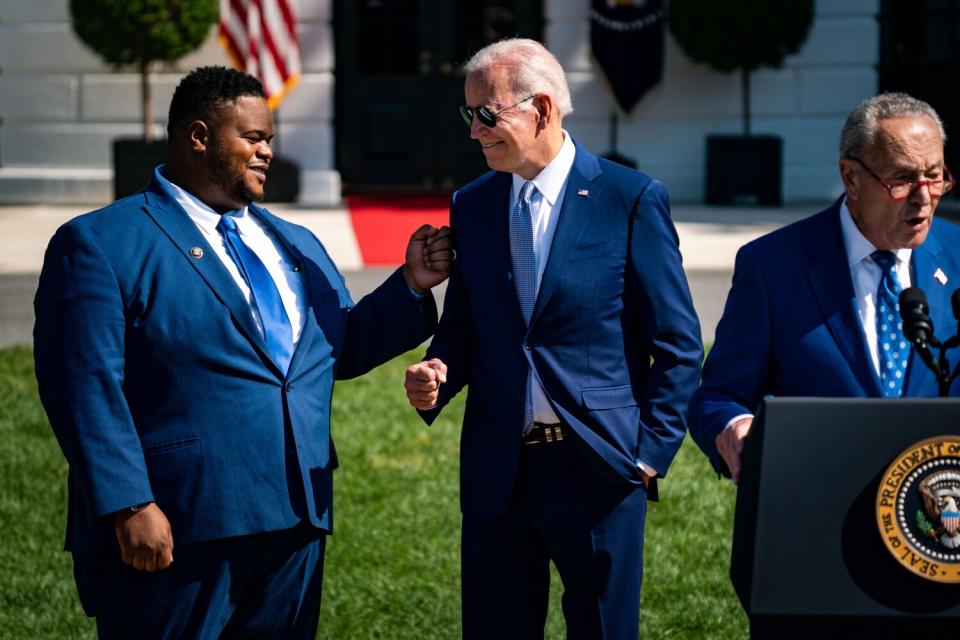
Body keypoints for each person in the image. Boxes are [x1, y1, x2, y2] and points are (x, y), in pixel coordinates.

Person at [33, 65, 451, 639]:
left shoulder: (293, 241)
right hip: (179, 524)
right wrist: (129, 504)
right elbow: (83, 385)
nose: (266, 152)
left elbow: (334, 350)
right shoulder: (101, 241)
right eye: (251, 138)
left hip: (295, 515)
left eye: (269, 139)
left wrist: (409, 284)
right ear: (199, 136)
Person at [403, 39, 702, 638]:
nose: (473, 133)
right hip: (498, 471)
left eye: (486, 115)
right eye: (469, 115)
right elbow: (465, 325)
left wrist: (646, 457)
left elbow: (678, 343)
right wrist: (438, 370)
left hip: (600, 466)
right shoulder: (474, 203)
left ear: (540, 108)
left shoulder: (630, 198)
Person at [688, 92, 960, 484]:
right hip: (819, 505)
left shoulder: (955, 259)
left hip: (936, 513)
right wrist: (735, 427)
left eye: (935, 176)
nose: (923, 198)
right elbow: (718, 395)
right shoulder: (773, 268)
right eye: (901, 179)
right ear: (851, 177)